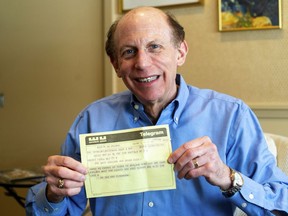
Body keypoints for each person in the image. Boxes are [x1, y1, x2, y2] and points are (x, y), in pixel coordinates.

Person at [26, 6, 288, 215]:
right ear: (116, 64)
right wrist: (54, 194)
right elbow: (54, 209)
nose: (142, 63)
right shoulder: (92, 120)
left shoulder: (231, 116)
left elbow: (281, 204)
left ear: (180, 52)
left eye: (155, 47)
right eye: (129, 52)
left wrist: (226, 176)